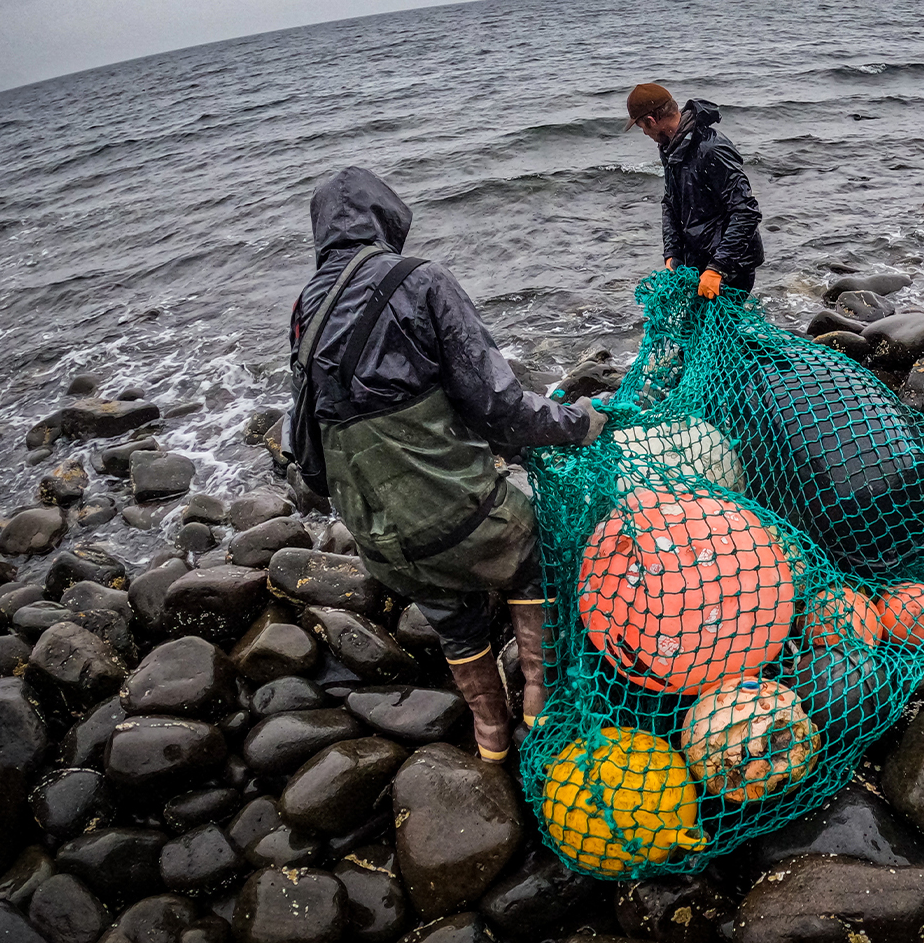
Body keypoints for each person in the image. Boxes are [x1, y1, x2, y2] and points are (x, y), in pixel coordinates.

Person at [287, 166, 607, 762]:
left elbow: (302, 438)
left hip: (378, 538)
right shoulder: (421, 280)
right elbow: (499, 406)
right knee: (529, 552)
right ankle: (537, 697)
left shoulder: (306, 306)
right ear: (387, 216)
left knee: (451, 613)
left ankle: (488, 733)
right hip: (457, 521)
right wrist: (579, 422)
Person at [626, 82, 765, 298]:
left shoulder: (712, 149)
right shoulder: (671, 148)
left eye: (642, 127)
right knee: (691, 331)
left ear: (652, 120)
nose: (645, 133)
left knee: (717, 331)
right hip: (697, 264)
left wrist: (717, 268)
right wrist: (672, 253)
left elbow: (746, 212)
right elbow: (670, 203)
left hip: (731, 268)